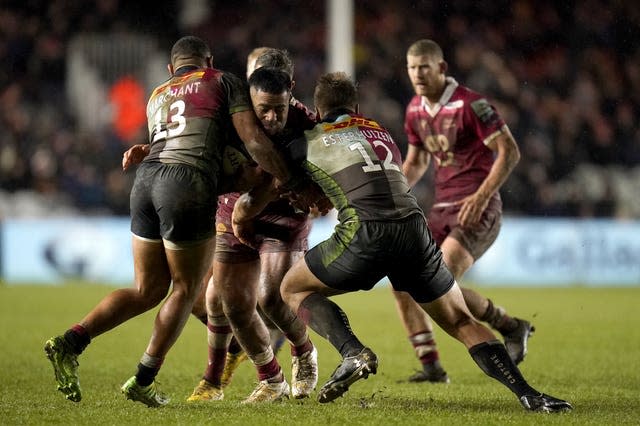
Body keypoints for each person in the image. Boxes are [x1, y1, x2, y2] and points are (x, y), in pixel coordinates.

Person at [252, 71, 572, 412]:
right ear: (356, 106)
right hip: (415, 232)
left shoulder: (308, 138)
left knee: (291, 289)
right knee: (462, 322)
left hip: (366, 232)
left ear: (317, 111)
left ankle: (352, 352)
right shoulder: (380, 130)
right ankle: (528, 394)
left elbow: (280, 174)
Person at [43, 35, 306, 408]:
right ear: (209, 60)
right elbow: (254, 142)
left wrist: (145, 149)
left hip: (146, 181)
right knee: (186, 288)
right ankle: (144, 379)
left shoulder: (158, 94)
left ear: (171, 69)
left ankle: (71, 341)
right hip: (187, 184)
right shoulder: (221, 80)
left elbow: (179, 136)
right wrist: (293, 182)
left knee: (145, 290)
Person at [391, 39, 533, 383]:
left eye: (424, 66)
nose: (418, 73)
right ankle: (432, 366)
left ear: (441, 68)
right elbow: (417, 161)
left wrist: (482, 196)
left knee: (440, 283)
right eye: (412, 67)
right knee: (401, 280)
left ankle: (508, 325)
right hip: (441, 209)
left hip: (477, 208)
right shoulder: (414, 109)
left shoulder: (472, 104)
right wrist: (388, 196)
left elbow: (509, 151)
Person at [187, 66, 320, 404]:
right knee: (231, 303)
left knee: (272, 298)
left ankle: (304, 353)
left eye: (280, 107)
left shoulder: (306, 126)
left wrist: (323, 195)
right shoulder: (231, 118)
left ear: (291, 93)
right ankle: (271, 379)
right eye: (265, 109)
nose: (273, 116)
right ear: (250, 99)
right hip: (233, 211)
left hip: (283, 218)